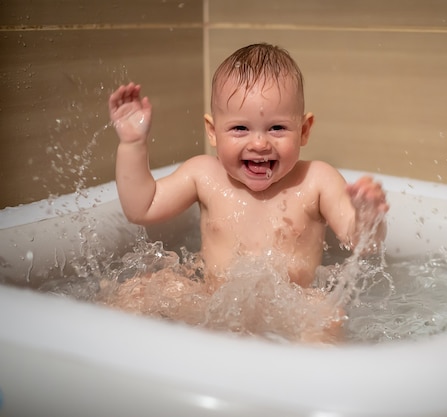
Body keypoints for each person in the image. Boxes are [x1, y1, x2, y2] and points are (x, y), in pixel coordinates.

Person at [107, 43, 388, 341]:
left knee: (325, 313)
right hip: (210, 303)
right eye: (240, 128)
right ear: (213, 131)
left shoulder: (316, 179)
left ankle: (310, 380)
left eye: (277, 128)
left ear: (304, 130)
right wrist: (132, 144)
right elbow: (142, 207)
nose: (259, 144)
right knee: (138, 290)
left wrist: (367, 218)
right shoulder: (203, 174)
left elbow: (360, 242)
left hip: (292, 310)